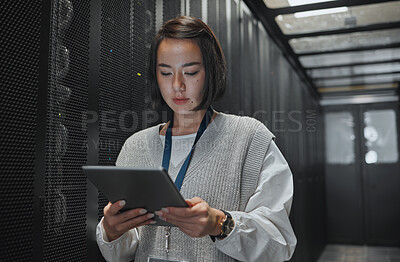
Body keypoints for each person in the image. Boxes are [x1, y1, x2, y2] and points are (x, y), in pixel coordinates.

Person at [96, 16, 297, 262]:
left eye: (190, 72)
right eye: (166, 73)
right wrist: (112, 231)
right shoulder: (135, 146)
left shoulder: (250, 139)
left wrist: (220, 224)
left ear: (211, 71)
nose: (177, 85)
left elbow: (280, 244)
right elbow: (125, 252)